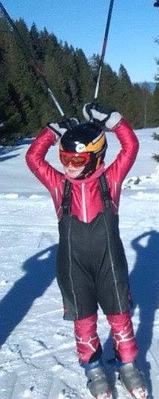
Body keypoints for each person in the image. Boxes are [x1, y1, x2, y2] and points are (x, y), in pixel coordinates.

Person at [25, 103, 146, 399]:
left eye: (77, 159)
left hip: (109, 262)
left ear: (95, 157)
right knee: (84, 320)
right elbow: (33, 158)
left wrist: (112, 120)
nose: (69, 165)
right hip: (73, 265)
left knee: (119, 315)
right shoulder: (59, 185)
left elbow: (130, 146)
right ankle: (93, 369)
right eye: (64, 158)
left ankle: (128, 365)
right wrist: (53, 131)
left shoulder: (109, 181)